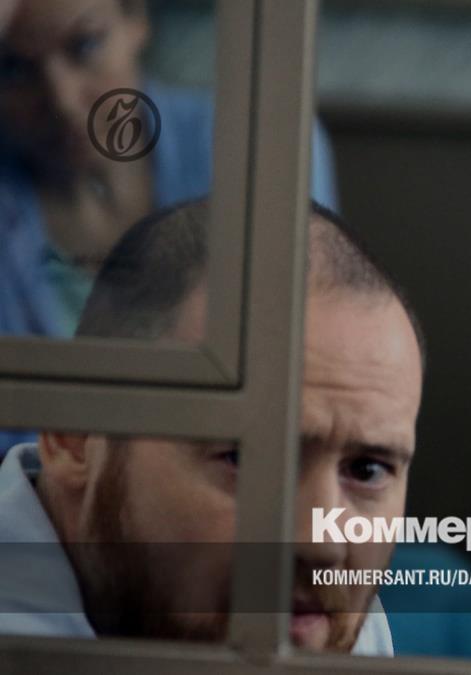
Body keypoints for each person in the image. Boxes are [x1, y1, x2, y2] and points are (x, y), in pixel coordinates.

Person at [0, 200, 418, 654]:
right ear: (75, 437)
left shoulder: (321, 621)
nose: (323, 546)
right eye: (247, 460)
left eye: (367, 471)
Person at [0, 0, 339, 452]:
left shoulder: (257, 144)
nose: (61, 100)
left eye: (84, 46)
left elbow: (303, 364)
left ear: (136, 18)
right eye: (12, 68)